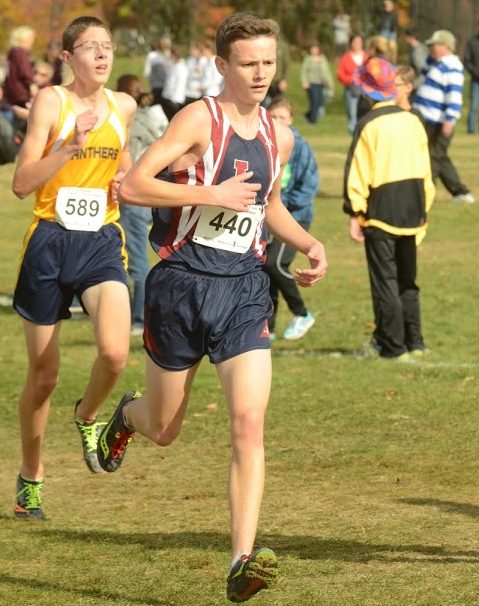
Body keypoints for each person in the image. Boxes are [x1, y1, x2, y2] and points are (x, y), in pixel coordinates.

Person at [96, 11, 327, 603]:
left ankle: (241, 559)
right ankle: (127, 417)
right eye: (248, 63)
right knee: (165, 428)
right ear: (222, 65)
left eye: (269, 63)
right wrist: (208, 192)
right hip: (182, 282)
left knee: (249, 423)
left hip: (245, 287)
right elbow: (135, 186)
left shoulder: (279, 133)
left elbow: (267, 205)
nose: (260, 74)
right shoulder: (200, 118)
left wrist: (305, 241)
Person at [11, 15, 136, 520]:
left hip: (101, 240)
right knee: (43, 377)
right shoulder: (51, 102)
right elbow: (22, 183)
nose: (102, 55)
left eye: (107, 46)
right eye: (89, 47)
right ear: (67, 57)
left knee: (115, 352)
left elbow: (122, 165)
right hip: (49, 241)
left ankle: (87, 415)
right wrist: (67, 148)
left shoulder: (122, 105)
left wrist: (120, 183)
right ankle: (31, 477)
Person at [343, 57, 435, 360]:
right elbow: (426, 172)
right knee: (408, 279)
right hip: (413, 206)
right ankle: (415, 342)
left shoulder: (368, 124)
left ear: (368, 92)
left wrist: (356, 211)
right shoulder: (413, 120)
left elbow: (358, 171)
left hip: (381, 209)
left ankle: (393, 347)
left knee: (385, 280)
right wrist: (424, 211)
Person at [116, 74, 168, 336]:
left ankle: (139, 318)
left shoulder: (130, 125)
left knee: (136, 259)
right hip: (152, 196)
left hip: (134, 198)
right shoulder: (155, 118)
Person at [264, 97, 319, 341]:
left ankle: (302, 313)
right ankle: (270, 326)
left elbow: (308, 188)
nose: (277, 122)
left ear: (291, 120)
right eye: (272, 117)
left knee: (275, 263)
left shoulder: (300, 147)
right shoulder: (262, 143)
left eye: (282, 118)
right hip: (266, 218)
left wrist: (281, 208)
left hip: (295, 217)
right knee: (265, 268)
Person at [413, 30, 475, 204]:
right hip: (426, 119)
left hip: (438, 121)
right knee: (439, 157)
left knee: (432, 157)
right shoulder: (436, 63)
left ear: (444, 46)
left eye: (433, 45)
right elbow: (422, 77)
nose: (430, 48)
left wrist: (450, 119)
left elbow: (454, 95)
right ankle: (461, 193)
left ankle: (423, 196)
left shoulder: (452, 66)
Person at [337, 34, 367, 133]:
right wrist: (351, 79)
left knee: (364, 112)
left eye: (359, 42)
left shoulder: (367, 57)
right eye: (355, 42)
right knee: (352, 113)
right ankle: (353, 133)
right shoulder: (346, 57)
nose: (357, 44)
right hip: (351, 90)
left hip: (366, 91)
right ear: (351, 44)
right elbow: (340, 74)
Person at [301, 43, 334, 124]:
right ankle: (313, 121)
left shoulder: (322, 59)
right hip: (311, 84)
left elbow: (327, 72)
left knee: (319, 102)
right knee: (314, 102)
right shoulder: (308, 59)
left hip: (321, 84)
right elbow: (303, 71)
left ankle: (307, 115)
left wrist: (330, 83)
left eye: (316, 48)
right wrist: (304, 81)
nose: (314, 50)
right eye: (313, 49)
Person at [160, 46, 188, 121]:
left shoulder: (181, 67)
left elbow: (179, 84)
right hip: (168, 96)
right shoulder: (174, 65)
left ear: (174, 55)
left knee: (174, 120)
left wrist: (173, 99)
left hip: (175, 99)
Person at [143, 36, 170, 107]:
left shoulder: (168, 54)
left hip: (168, 86)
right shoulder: (152, 55)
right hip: (156, 85)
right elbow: (147, 70)